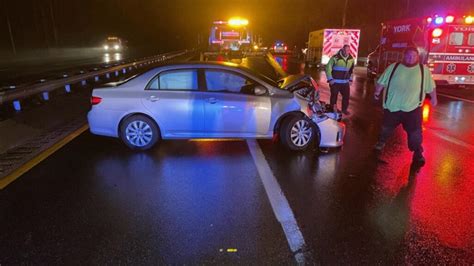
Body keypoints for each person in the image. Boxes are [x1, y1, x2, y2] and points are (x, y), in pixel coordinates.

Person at [373, 46, 438, 166]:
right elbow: (381, 82)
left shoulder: (423, 70)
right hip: (392, 107)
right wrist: (377, 93)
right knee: (385, 129)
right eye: (408, 55)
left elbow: (431, 87)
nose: (410, 58)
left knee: (415, 134)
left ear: (417, 57)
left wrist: (434, 98)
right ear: (404, 56)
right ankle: (381, 142)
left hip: (413, 109)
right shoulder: (394, 67)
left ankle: (418, 154)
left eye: (413, 56)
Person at [325, 44, 355, 115]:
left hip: (345, 82)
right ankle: (333, 110)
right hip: (335, 82)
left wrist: (350, 80)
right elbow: (328, 68)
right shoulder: (335, 58)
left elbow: (351, 70)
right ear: (342, 49)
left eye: (348, 50)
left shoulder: (351, 59)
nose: (347, 52)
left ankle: (344, 110)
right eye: (346, 50)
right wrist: (330, 79)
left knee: (346, 96)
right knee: (334, 96)